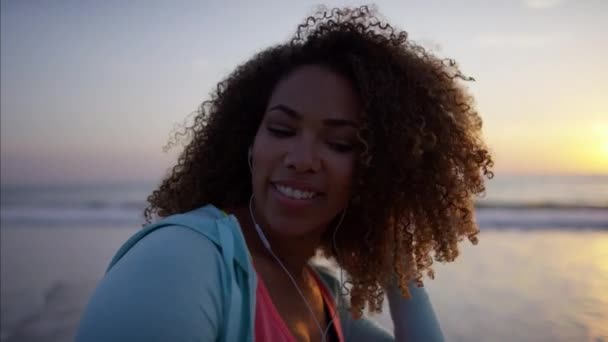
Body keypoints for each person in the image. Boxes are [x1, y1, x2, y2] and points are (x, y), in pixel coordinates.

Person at [76, 5, 493, 342]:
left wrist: (397, 262)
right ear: (249, 140)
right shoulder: (182, 259)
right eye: (281, 129)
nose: (302, 158)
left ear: (378, 172)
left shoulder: (323, 296)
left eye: (341, 143)